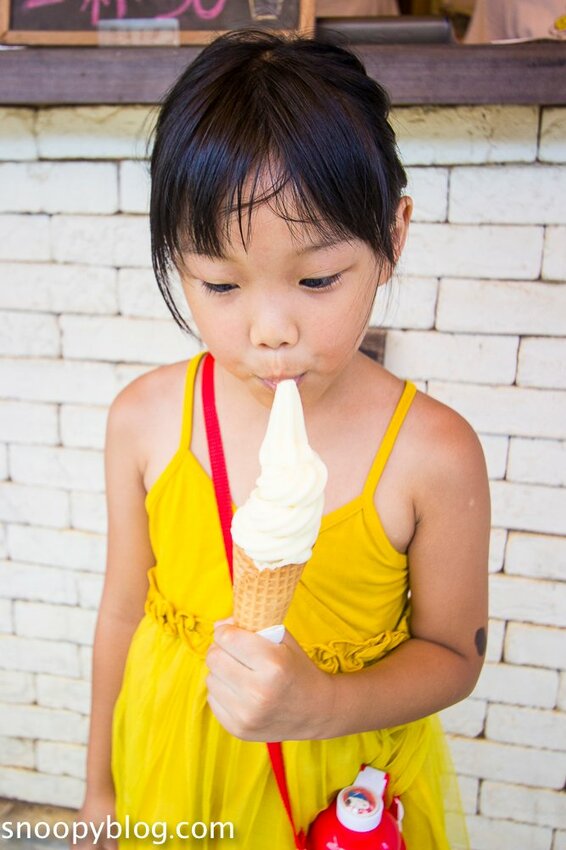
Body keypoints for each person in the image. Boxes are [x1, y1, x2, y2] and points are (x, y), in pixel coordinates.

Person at [73, 28, 490, 850]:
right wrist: (98, 789)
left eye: (317, 279)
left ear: (393, 236)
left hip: (336, 791)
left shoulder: (434, 454)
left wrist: (320, 706)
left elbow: (453, 652)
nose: (271, 331)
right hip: (171, 766)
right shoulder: (145, 420)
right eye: (221, 283)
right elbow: (124, 612)